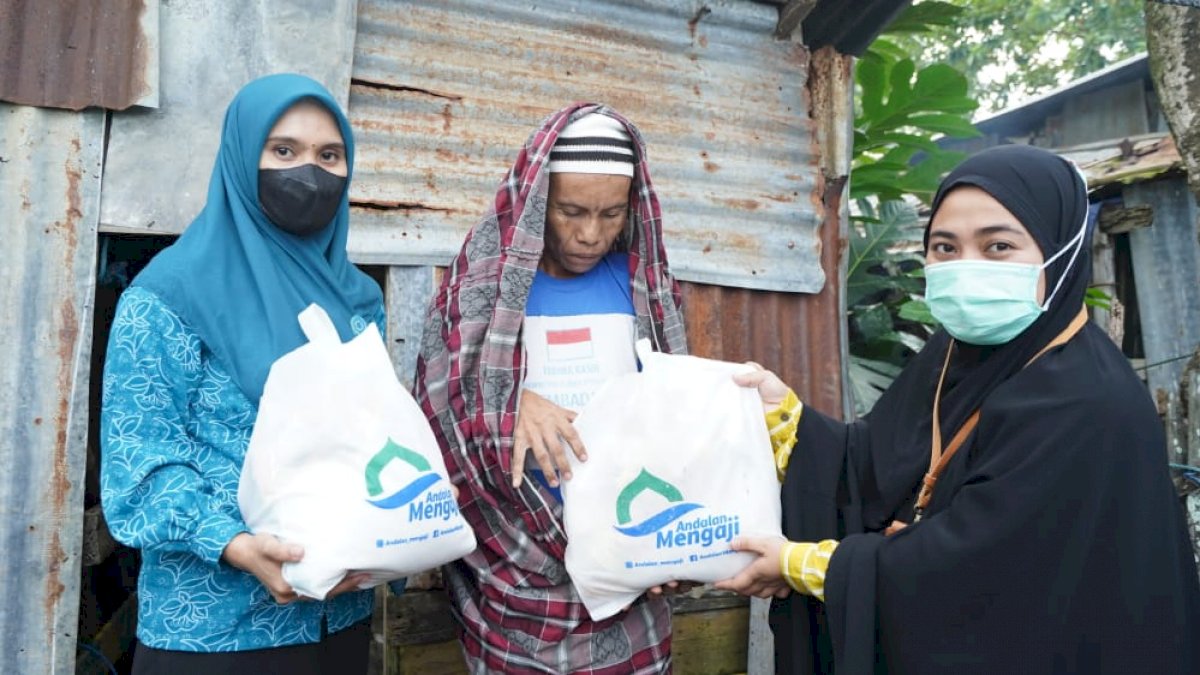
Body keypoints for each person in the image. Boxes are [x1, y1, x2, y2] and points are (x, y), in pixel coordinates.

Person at [718, 144, 1200, 674]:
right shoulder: (953, 354)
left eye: (997, 246)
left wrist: (805, 564)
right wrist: (789, 421)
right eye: (945, 247)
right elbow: (878, 464)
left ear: (1062, 253)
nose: (965, 267)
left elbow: (979, 572)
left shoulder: (1090, 403)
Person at [101, 74, 385, 673]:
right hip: (215, 635)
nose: (308, 173)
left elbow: (372, 442)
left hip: (340, 622)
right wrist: (233, 544)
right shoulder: (167, 297)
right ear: (241, 156)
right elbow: (139, 466)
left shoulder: (357, 302)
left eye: (328, 156)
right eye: (284, 151)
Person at [413, 104, 688, 673]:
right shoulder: (485, 290)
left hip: (630, 563)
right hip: (515, 590)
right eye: (571, 211)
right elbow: (436, 408)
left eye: (611, 214)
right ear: (538, 200)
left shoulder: (643, 291)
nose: (591, 234)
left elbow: (677, 415)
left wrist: (665, 541)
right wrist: (513, 405)